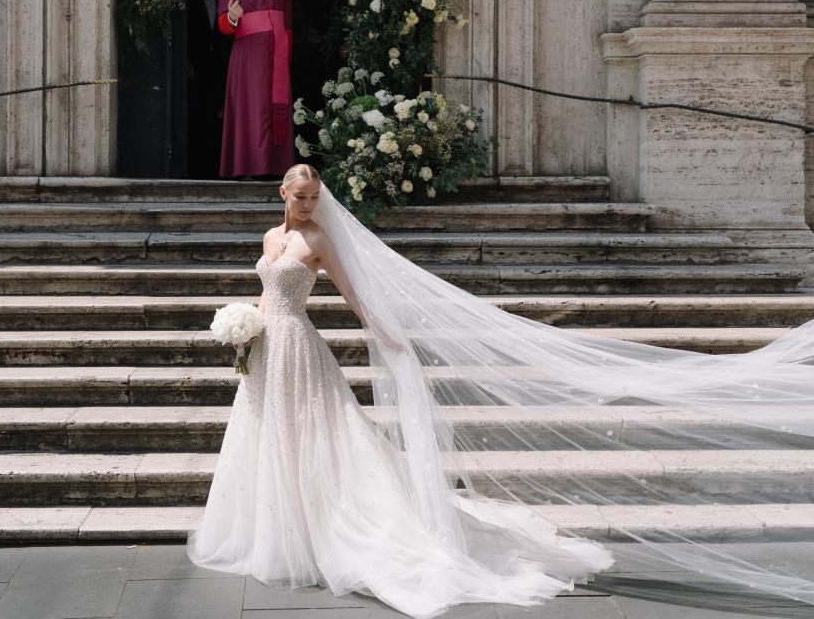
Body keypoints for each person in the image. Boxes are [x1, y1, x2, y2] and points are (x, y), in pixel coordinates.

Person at [188, 163, 814, 616]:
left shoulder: (319, 241)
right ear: (282, 194)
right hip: (268, 350)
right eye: (298, 199)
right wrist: (243, 325)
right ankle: (276, 526)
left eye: (312, 199)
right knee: (268, 437)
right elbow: (267, 292)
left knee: (328, 437)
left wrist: (388, 333)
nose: (304, 207)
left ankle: (334, 525)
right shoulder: (271, 240)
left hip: (304, 351)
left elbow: (353, 296)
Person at [216, 0, 294, 178]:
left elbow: (288, 23)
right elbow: (222, 25)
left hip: (278, 57)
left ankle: (276, 167)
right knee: (252, 109)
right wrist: (232, 17)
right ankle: (249, 166)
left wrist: (286, 57)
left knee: (274, 109)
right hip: (248, 58)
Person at [185, 0, 227, 177]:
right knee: (197, 115)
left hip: (216, 68)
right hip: (195, 65)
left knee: (216, 116)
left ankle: (215, 168)